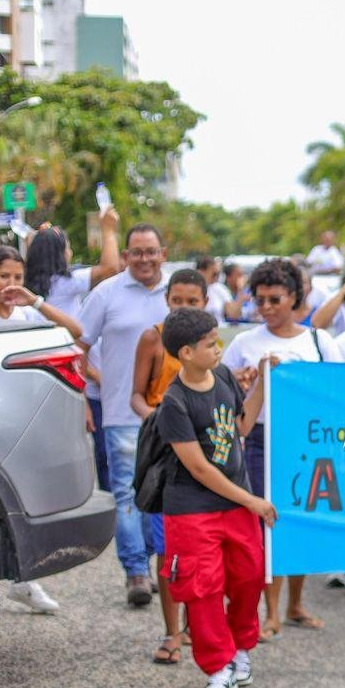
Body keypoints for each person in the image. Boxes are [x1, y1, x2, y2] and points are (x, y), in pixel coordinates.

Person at [154, 307, 276, 688]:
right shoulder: (173, 403)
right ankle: (217, 665)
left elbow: (240, 426)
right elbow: (199, 469)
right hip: (193, 509)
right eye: (210, 344)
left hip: (236, 503)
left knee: (249, 576)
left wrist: (261, 381)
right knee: (203, 589)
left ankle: (241, 649)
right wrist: (253, 501)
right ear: (186, 353)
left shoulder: (222, 375)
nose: (219, 348)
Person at [221, 258, 342, 637]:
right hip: (260, 440)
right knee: (268, 522)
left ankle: (295, 604)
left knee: (301, 519)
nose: (267, 308)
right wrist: (243, 381)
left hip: (307, 443)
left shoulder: (320, 341)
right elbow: (222, 393)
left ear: (295, 297)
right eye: (260, 300)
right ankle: (270, 610)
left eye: (275, 299)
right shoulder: (244, 342)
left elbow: (336, 390)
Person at [0, 246, 85, 616]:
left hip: (26, 423)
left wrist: (33, 301)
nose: (10, 285)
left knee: (27, 504)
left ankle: (25, 581)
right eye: (4, 276)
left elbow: (76, 331)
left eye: (17, 277)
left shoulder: (25, 315)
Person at [77, 223, 171, 609]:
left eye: (151, 251)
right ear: (126, 255)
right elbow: (76, 346)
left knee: (163, 493)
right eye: (137, 252)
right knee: (128, 493)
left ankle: (161, 563)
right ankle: (135, 570)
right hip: (119, 411)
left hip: (172, 415)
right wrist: (86, 393)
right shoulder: (106, 294)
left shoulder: (177, 293)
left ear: (163, 253)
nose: (145, 259)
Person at [131, 268, 211, 665]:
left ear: (205, 303)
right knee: (168, 551)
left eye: (191, 301)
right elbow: (136, 396)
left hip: (205, 455)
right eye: (176, 300)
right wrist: (159, 420)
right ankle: (171, 631)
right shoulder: (152, 338)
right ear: (166, 301)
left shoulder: (212, 344)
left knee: (203, 548)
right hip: (165, 458)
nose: (182, 307)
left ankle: (200, 625)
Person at [25, 212, 121, 493]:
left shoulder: (31, 291)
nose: (71, 252)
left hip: (46, 382)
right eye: (66, 247)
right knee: (102, 453)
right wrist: (108, 230)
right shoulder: (66, 283)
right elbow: (110, 268)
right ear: (58, 254)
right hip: (82, 379)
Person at [198, 257, 232, 322]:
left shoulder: (221, 289)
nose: (217, 277)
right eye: (214, 274)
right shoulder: (191, 290)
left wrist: (240, 290)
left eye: (218, 274)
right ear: (201, 271)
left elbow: (232, 314)